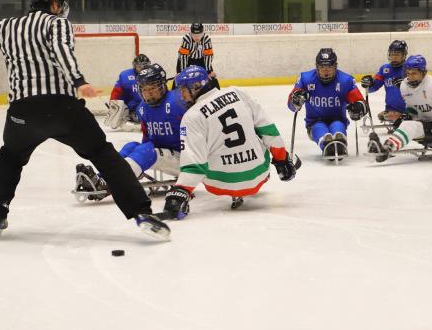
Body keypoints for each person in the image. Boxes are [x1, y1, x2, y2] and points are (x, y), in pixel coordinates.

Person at [0, 0, 170, 241]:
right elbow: (62, 49)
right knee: (102, 154)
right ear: (54, 3)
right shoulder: (57, 23)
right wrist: (78, 80)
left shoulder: (8, 27)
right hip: (62, 108)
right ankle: (141, 213)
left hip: (22, 112)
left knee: (10, 157)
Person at [161, 65, 298, 218]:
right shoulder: (238, 92)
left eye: (183, 89)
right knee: (256, 134)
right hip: (260, 173)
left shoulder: (191, 117)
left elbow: (194, 164)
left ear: (196, 87)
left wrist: (180, 192)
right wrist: (282, 160)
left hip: (220, 183)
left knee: (202, 150)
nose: (181, 94)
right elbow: (268, 129)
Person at [76, 63, 187, 200]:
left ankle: (112, 183)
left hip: (186, 160)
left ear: (163, 85)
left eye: (153, 88)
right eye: (145, 89)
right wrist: (137, 164)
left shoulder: (179, 101)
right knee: (132, 146)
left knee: (146, 151)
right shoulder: (143, 108)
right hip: (165, 155)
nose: (149, 93)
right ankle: (99, 178)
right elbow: (147, 139)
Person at [370, 55, 432, 162]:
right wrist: (408, 115)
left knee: (410, 125)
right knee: (407, 123)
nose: (410, 77)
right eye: (408, 73)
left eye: (414, 73)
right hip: (426, 126)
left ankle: (386, 149)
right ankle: (387, 148)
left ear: (423, 72)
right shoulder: (404, 86)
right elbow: (413, 108)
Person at [288, 48, 367, 158]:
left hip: (338, 119)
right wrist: (295, 99)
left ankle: (340, 143)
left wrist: (358, 107)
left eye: (329, 67)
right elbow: (291, 105)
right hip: (314, 122)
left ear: (335, 67)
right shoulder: (306, 79)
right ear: (317, 67)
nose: (326, 70)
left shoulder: (345, 80)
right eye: (322, 67)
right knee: (319, 128)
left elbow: (361, 103)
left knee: (338, 126)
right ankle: (326, 145)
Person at [360, 40, 408, 124]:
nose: (394, 57)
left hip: (409, 108)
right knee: (382, 116)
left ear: (404, 56)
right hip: (391, 109)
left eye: (397, 54)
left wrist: (405, 84)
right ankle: (396, 115)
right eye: (392, 54)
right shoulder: (385, 69)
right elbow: (374, 87)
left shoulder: (410, 68)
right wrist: (369, 84)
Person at [104, 53, 151, 129]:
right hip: (131, 108)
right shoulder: (125, 75)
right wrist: (114, 106)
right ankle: (129, 116)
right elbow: (117, 93)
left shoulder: (152, 74)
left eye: (145, 65)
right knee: (114, 120)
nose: (143, 68)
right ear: (134, 66)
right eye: (140, 66)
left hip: (147, 105)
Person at [176, 22, 217, 87]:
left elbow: (208, 56)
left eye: (199, 35)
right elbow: (183, 57)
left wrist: (208, 71)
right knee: (180, 80)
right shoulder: (186, 39)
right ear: (191, 33)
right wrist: (182, 72)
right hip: (187, 60)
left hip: (201, 60)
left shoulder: (206, 39)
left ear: (203, 33)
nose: (197, 37)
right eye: (194, 35)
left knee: (212, 78)